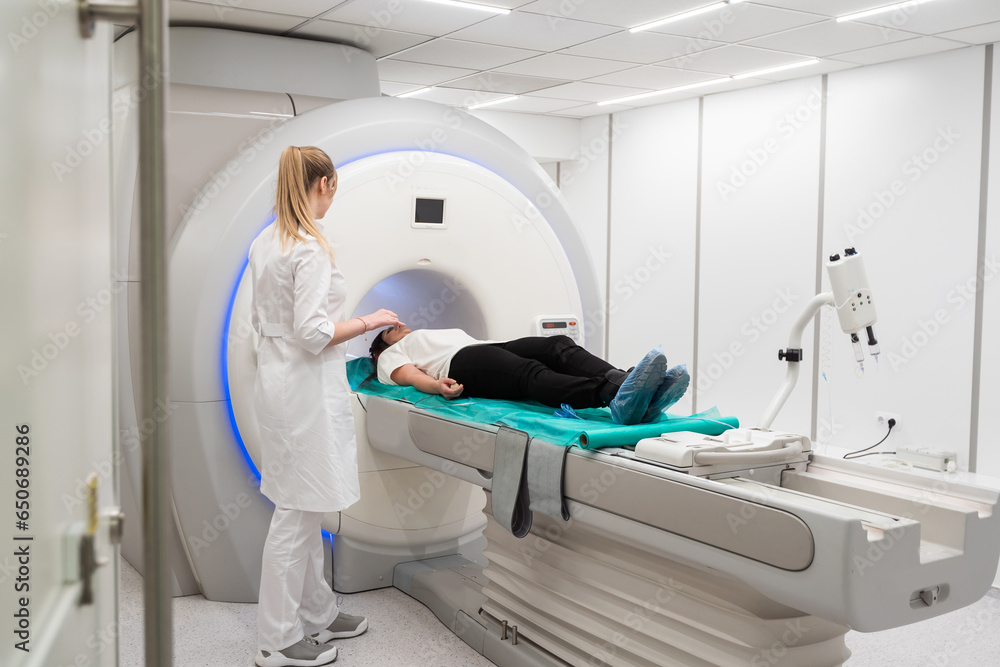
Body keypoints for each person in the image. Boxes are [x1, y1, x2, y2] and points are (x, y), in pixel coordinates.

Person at [249, 146, 399, 667]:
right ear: (323, 185)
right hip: (304, 390)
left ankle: (316, 613)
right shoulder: (308, 248)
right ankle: (276, 639)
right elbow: (314, 334)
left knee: (307, 505)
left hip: (279, 384)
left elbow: (264, 324)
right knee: (296, 514)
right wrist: (369, 320)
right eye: (332, 189)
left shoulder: (267, 242)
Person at [368, 324, 690, 425]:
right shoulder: (389, 357)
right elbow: (410, 376)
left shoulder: (416, 335)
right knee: (530, 374)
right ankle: (612, 395)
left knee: (558, 346)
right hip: (460, 363)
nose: (398, 326)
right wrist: (436, 386)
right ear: (379, 350)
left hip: (486, 346)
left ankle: (630, 387)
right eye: (388, 331)